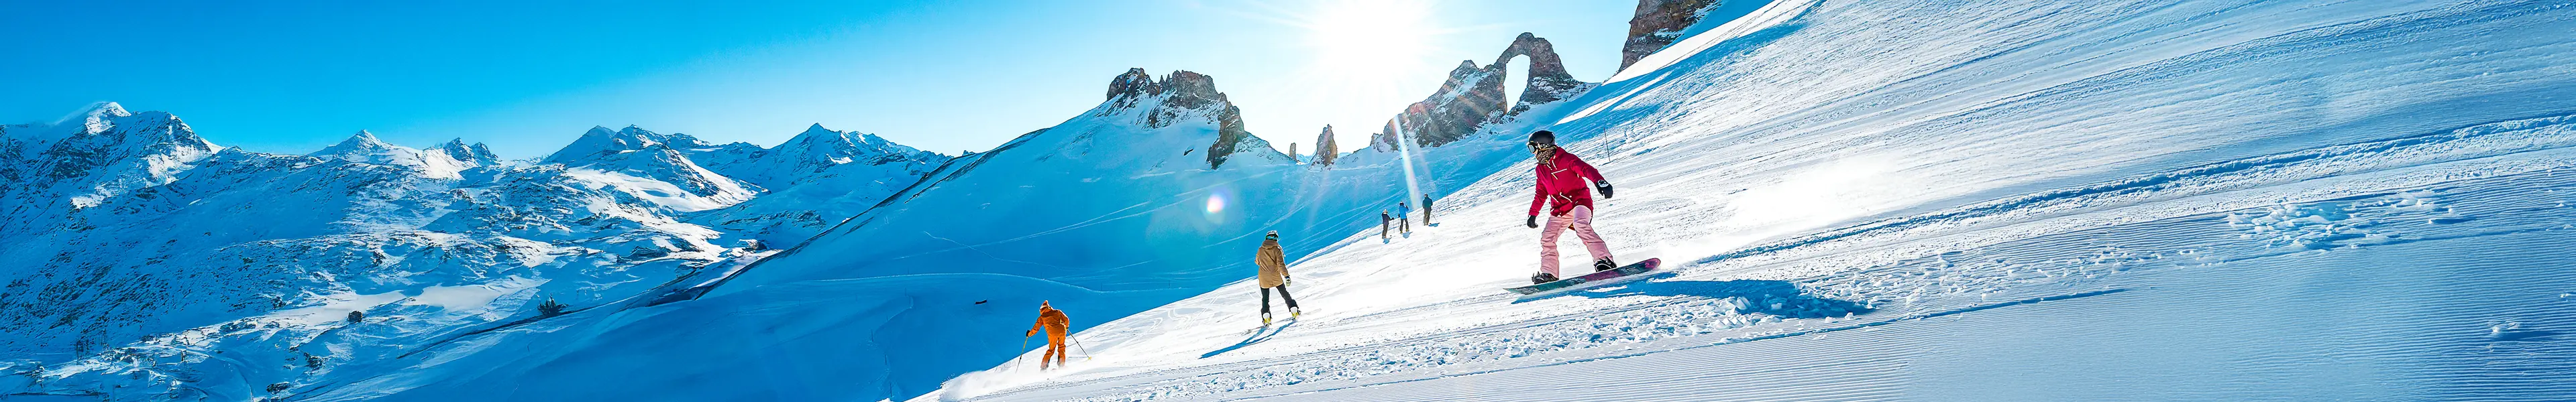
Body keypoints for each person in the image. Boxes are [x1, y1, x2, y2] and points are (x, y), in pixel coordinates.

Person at [1521, 129, 1617, 284]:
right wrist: (1533, 214)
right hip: (1559, 210)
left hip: (1580, 202)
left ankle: (1604, 261)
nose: (1533, 153)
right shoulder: (1541, 169)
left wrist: (1600, 182)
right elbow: (1541, 193)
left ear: (1543, 146)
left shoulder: (1567, 159)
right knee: (1547, 238)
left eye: (1533, 148)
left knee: (1581, 224)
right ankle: (1549, 273)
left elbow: (1587, 170)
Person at [1254, 230, 1301, 325]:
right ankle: (1294, 310)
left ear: (1266, 238)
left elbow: (1257, 262)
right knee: (1285, 294)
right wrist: (1286, 276)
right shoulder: (1277, 249)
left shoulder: (1260, 249)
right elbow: (1281, 264)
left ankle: (1266, 318)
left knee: (1265, 298)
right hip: (1275, 275)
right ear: (1276, 239)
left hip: (1263, 276)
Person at [1025, 301, 1072, 369]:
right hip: (1062, 331)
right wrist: (1066, 327)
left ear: (1042, 309)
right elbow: (1066, 320)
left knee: (1051, 350)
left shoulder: (1042, 317)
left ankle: (1044, 368)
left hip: (1052, 334)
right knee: (1061, 347)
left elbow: (1036, 328)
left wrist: (1029, 334)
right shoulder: (1057, 312)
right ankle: (1061, 365)